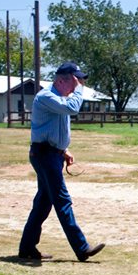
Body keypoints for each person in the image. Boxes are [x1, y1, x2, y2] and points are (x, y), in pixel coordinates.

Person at [18, 61, 105, 262]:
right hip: (44, 155)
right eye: (75, 81)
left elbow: (55, 127)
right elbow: (73, 108)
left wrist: (63, 150)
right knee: (62, 200)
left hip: (51, 154)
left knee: (43, 203)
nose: (78, 85)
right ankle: (82, 248)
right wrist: (79, 90)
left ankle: (27, 248)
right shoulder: (47, 96)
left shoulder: (60, 99)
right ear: (62, 80)